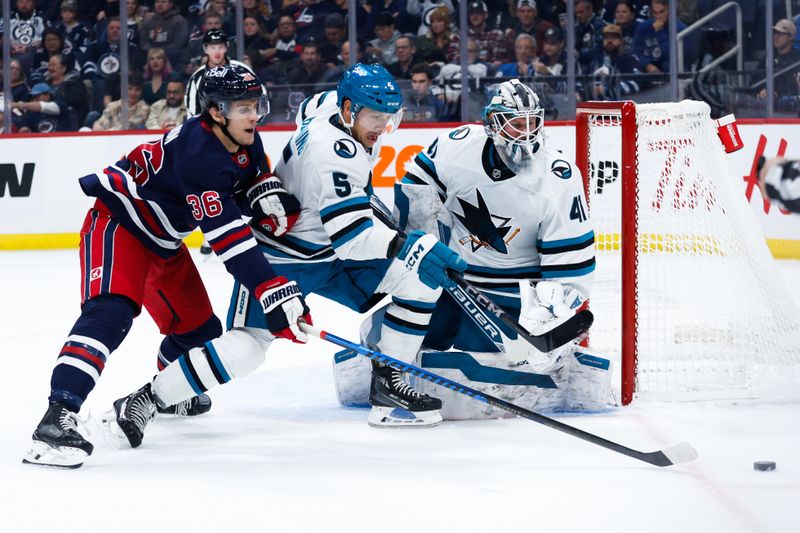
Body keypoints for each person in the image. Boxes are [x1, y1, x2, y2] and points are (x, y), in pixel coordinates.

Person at [106, 64, 467, 445]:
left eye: (389, 117)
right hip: (284, 257)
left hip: (329, 250)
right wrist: (410, 245)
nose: (382, 127)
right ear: (348, 110)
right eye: (375, 117)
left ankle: (390, 380)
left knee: (420, 280)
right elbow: (353, 237)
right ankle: (146, 398)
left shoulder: (327, 104)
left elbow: (308, 109)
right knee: (248, 349)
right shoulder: (336, 154)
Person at [23, 65, 308, 469]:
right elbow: (228, 240)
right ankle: (55, 420)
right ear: (214, 112)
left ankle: (169, 395)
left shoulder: (241, 137)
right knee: (111, 313)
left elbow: (248, 178)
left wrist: (263, 191)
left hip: (162, 240)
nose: (255, 115)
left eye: (256, 104)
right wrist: (271, 287)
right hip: (118, 225)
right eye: (243, 107)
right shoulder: (198, 152)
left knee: (201, 332)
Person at [333, 79, 610, 419]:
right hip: (453, 282)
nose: (525, 134)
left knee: (509, 360)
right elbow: (414, 191)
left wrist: (548, 320)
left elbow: (571, 265)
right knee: (385, 333)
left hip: (514, 298)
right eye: (515, 123)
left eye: (531, 123)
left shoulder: (558, 178)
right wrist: (427, 253)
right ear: (493, 124)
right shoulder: (455, 147)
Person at [185, 29, 253, 118]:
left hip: (240, 123)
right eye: (213, 48)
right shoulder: (197, 77)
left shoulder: (241, 69)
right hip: (208, 127)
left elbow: (259, 95)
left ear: (226, 47)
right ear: (205, 49)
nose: (216, 52)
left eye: (220, 47)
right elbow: (192, 110)